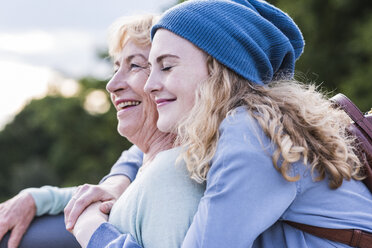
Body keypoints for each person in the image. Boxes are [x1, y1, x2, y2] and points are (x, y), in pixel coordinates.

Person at [144, 0, 372, 247]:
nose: (149, 85)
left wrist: (98, 234)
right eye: (149, 69)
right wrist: (120, 179)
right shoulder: (274, 120)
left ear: (219, 67)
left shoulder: (252, 132)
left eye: (166, 66)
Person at [1, 14, 205, 248]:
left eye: (135, 65)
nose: (112, 84)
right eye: (116, 68)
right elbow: (105, 194)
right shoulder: (145, 167)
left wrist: (90, 227)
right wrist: (37, 198)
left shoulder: (171, 175)